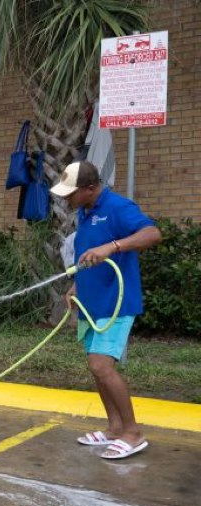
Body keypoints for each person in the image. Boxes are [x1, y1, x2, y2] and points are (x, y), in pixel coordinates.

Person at [52, 161, 162, 460]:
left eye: (70, 193)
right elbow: (87, 255)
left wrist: (112, 247)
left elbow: (152, 234)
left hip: (116, 303)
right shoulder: (85, 211)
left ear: (90, 188)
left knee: (102, 366)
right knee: (95, 368)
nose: (66, 199)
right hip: (91, 302)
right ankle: (114, 428)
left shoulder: (116, 206)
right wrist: (76, 285)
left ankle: (133, 433)